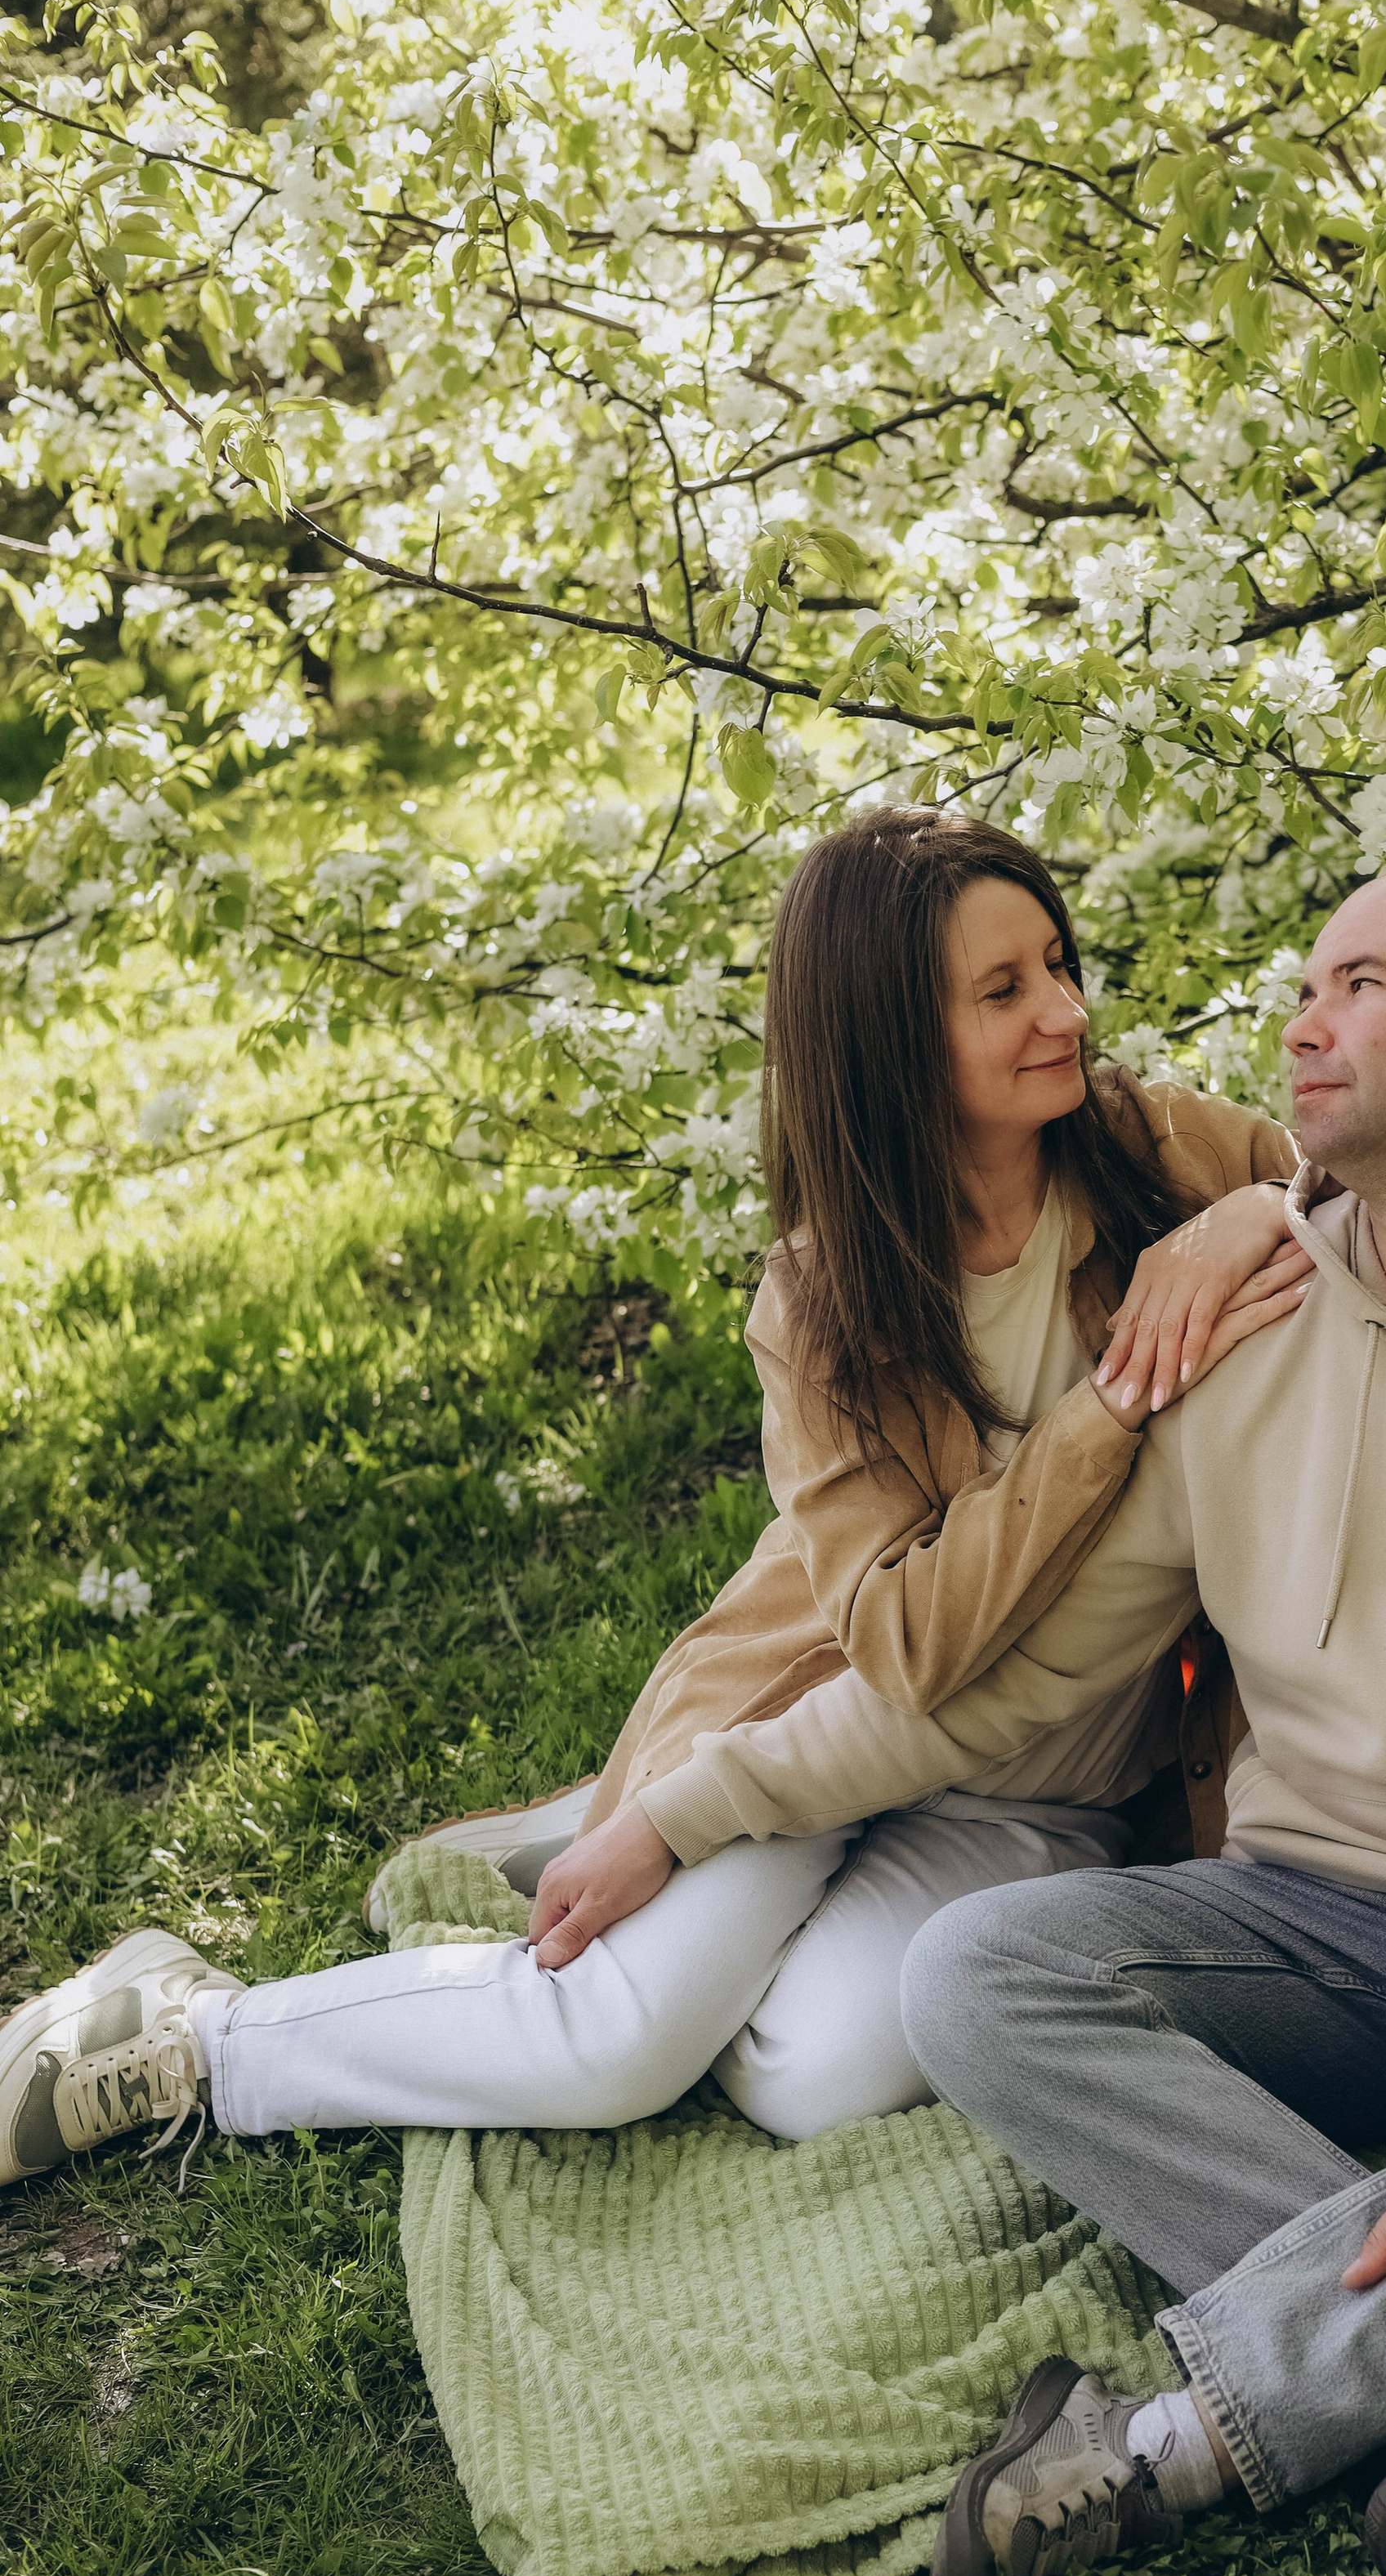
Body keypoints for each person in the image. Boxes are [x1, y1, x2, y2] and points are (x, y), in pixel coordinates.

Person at [566, 870, 1386, 2576]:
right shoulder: (1243, 1340)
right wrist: (687, 1810)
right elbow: (1011, 1693)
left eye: (1355, 985)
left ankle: (1173, 2436)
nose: (1298, 1022)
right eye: (1301, 986)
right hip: (1295, 1935)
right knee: (974, 1977)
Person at [1, 807, 1310, 2188]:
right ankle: (191, 2033)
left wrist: (1251, 1216)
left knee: (813, 2075)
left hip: (1045, 1793)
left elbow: (1373, 1190)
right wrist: (1107, 1411)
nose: (1066, 1010)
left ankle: (626, 1875)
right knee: (614, 2046)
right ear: (888, 1039)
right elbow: (913, 1642)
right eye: (1005, 990)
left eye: (1057, 962)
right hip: (818, 1721)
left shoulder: (1166, 1156)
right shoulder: (823, 1299)